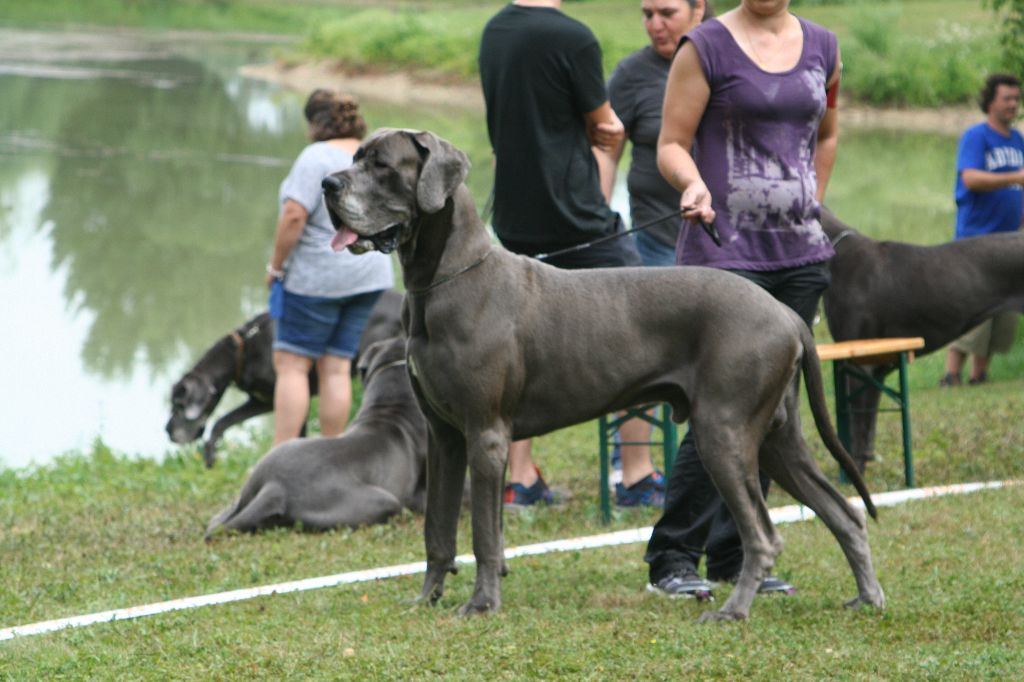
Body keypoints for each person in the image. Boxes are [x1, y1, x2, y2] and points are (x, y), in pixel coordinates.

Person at [642, 0, 841, 598]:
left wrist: (811, 199)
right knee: (719, 410)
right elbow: (671, 143)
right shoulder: (705, 46)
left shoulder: (824, 46)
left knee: (765, 412)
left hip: (799, 260)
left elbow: (826, 134)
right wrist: (693, 182)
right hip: (723, 256)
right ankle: (673, 558)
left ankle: (737, 555)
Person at [478, 0, 664, 507]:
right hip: (575, 217)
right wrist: (608, 131)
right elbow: (607, 127)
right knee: (645, 327)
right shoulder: (574, 38)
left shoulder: (494, 32)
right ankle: (636, 475)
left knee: (514, 350)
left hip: (514, 217)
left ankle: (519, 480)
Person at [596, 0, 711, 506]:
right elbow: (606, 147)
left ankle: (711, 464)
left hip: (724, 246)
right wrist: (600, 215)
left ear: (699, 8)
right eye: (646, 14)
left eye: (666, 12)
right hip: (654, 242)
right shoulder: (632, 74)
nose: (655, 24)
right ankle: (637, 476)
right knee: (640, 359)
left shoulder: (721, 56)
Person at [265, 90, 394, 447]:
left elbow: (294, 215)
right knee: (336, 367)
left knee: (292, 365)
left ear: (314, 122)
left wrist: (275, 268)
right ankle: (330, 452)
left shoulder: (315, 156)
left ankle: (281, 456)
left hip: (317, 279)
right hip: (369, 275)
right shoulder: (372, 154)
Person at [940, 73, 1024, 388]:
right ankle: (951, 375)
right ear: (991, 101)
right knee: (972, 308)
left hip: (1009, 241)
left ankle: (980, 375)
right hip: (976, 240)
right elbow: (971, 178)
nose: (1013, 105)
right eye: (1007, 99)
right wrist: (1015, 176)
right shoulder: (977, 136)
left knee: (1002, 309)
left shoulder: (1017, 140)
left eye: (1016, 99)